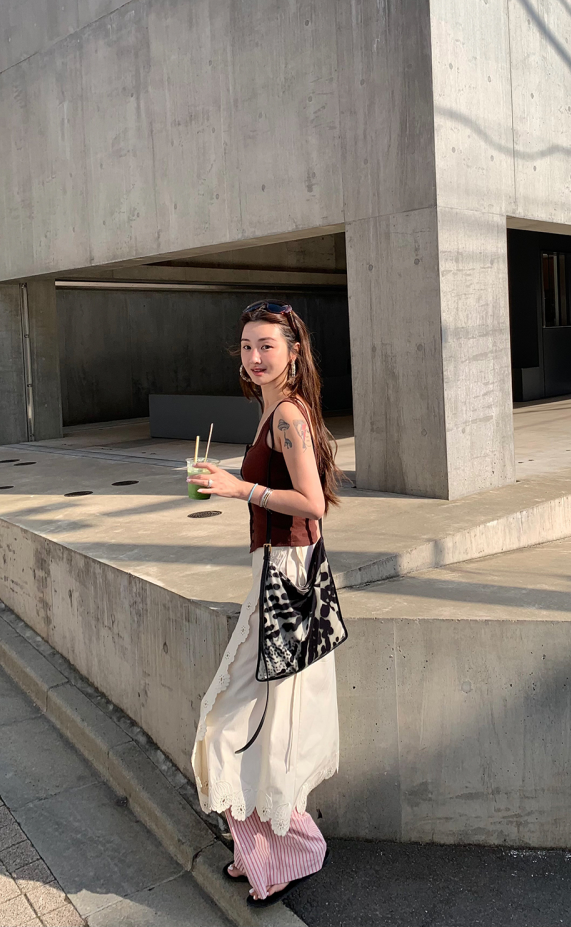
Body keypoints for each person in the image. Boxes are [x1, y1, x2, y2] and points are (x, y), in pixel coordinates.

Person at [189, 300, 343, 907]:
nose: (255, 357)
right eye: (248, 346)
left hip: (285, 580)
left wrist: (239, 488)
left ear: (293, 352)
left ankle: (290, 850)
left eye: (267, 346)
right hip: (275, 573)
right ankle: (264, 849)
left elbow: (312, 503)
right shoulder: (272, 410)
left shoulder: (288, 416)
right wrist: (234, 480)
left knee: (238, 723)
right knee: (255, 720)